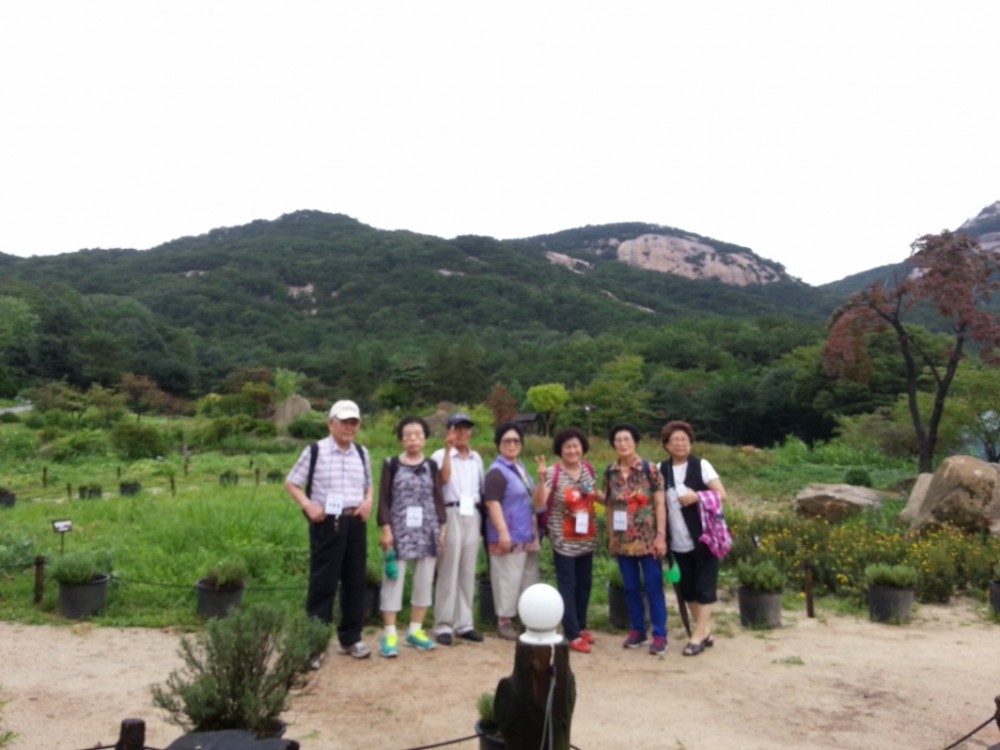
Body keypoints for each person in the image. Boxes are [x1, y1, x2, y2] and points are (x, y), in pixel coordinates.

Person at [285, 399, 374, 660]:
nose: (349, 427)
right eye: (344, 422)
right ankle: (314, 645)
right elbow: (292, 482)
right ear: (330, 424)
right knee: (323, 583)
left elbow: (368, 484)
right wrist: (308, 505)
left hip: (355, 522)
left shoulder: (362, 453)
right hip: (326, 522)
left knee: (355, 581)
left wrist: (368, 501)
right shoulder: (316, 451)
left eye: (354, 422)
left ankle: (351, 638)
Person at [376, 416, 447, 657]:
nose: (413, 439)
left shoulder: (432, 466)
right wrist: (386, 529)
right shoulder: (391, 464)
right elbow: (384, 499)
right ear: (401, 439)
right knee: (393, 580)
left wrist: (442, 528)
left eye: (418, 434)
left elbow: (437, 496)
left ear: (425, 438)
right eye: (408, 435)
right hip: (399, 531)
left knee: (424, 581)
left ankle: (416, 630)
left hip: (428, 530)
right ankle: (390, 634)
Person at [659, 420, 727, 656]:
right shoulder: (661, 469)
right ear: (666, 445)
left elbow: (722, 494)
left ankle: (696, 637)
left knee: (705, 588)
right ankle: (704, 631)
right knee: (687, 589)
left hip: (705, 538)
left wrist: (697, 496)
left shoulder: (701, 465)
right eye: (674, 440)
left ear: (690, 442)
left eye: (684, 439)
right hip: (676, 540)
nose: (680, 444)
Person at [602, 423, 668, 655]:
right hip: (623, 540)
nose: (622, 444)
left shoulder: (650, 470)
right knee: (630, 588)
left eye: (626, 440)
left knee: (653, 586)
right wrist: (611, 536)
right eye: (618, 440)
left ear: (635, 442)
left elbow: (659, 504)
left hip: (648, 539)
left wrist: (661, 536)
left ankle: (659, 634)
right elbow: (610, 506)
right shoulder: (610, 472)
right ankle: (638, 630)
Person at [535, 427, 601, 653]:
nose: (572, 450)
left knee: (585, 584)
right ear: (560, 450)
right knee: (568, 585)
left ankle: (581, 626)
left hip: (586, 539)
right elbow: (539, 503)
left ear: (582, 448)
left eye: (576, 446)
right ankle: (571, 633)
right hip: (563, 540)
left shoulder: (588, 470)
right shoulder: (552, 473)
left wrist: (618, 500)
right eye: (567, 447)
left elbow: (594, 495)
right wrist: (541, 480)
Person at [484, 421, 543, 641]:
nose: (512, 444)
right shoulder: (496, 472)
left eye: (516, 440)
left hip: (527, 532)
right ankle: (504, 621)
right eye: (507, 441)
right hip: (508, 534)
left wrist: (542, 480)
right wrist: (503, 532)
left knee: (528, 577)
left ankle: (527, 617)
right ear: (498, 445)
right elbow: (492, 503)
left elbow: (536, 501)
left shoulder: (521, 468)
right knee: (507, 578)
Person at [431, 412, 486, 646]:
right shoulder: (439, 455)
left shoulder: (476, 458)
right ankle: (444, 624)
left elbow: (482, 490)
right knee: (448, 569)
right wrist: (447, 450)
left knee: (467, 569)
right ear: (449, 431)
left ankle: (465, 623)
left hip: (472, 513)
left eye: (466, 428)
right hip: (450, 512)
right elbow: (443, 480)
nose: (462, 433)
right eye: (457, 428)